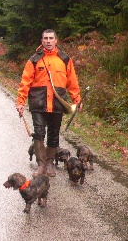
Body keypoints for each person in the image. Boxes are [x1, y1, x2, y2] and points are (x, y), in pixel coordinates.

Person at [16, 29, 81, 177]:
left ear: (56, 40)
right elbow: (25, 82)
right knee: (38, 133)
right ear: (42, 41)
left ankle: (50, 163)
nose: (49, 41)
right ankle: (41, 165)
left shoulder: (65, 59)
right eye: (46, 38)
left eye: (51, 38)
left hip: (58, 103)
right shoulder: (34, 60)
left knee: (54, 134)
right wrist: (20, 102)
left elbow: (72, 82)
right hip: (38, 103)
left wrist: (77, 99)